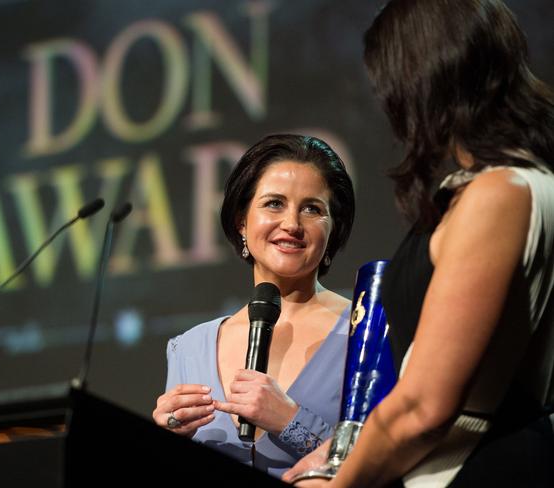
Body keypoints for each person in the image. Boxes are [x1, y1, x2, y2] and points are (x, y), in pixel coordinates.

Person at [283, 0, 554, 486]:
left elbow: (422, 407)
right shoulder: (509, 185)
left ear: (421, 79)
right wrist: (333, 454)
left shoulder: (500, 193)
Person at [152, 134, 356, 479]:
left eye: (312, 209)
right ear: (241, 222)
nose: (292, 224)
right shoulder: (187, 348)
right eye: (274, 203)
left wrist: (291, 421)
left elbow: (387, 459)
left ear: (333, 232)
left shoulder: (364, 332)